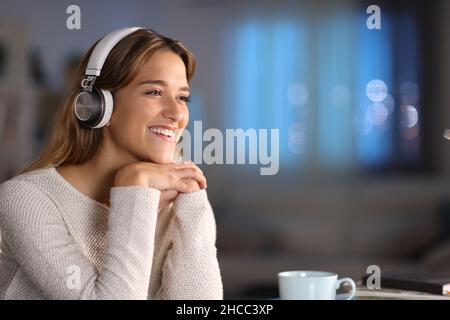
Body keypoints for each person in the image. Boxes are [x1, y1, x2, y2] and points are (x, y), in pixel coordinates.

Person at [0, 27, 223, 300]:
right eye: (154, 92)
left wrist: (192, 200)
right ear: (97, 105)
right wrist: (134, 188)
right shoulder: (26, 199)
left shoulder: (176, 195)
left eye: (182, 97)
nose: (177, 113)